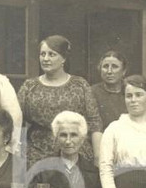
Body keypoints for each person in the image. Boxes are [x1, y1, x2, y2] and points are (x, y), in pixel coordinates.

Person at [18, 36, 103, 169]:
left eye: (52, 54)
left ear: (63, 58)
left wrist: (98, 158)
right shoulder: (30, 86)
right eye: (42, 54)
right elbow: (17, 122)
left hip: (75, 152)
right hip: (37, 155)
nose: (46, 59)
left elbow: (94, 122)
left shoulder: (79, 85)